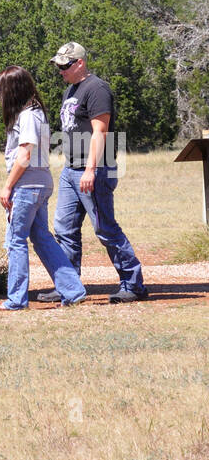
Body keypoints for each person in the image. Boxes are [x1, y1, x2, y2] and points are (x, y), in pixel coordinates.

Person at [39, 42, 148, 305]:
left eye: (65, 66)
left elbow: (101, 132)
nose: (61, 71)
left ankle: (133, 285)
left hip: (94, 168)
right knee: (64, 228)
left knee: (105, 229)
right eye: (59, 66)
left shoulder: (97, 88)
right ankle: (68, 285)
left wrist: (91, 169)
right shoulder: (70, 90)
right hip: (71, 168)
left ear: (80, 63)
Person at [0, 65, 87, 311]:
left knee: (15, 240)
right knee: (42, 238)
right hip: (40, 182)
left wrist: (7, 186)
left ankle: (16, 299)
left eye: (3, 90)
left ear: (13, 90)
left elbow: (24, 154)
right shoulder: (36, 112)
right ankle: (73, 290)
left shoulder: (27, 116)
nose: (1, 96)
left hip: (27, 185)